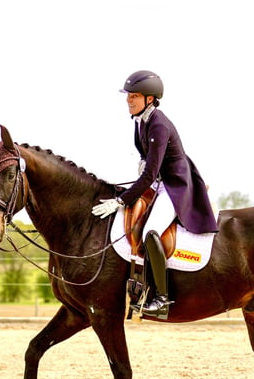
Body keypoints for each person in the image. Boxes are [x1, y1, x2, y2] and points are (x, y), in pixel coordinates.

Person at [92, 70, 218, 318]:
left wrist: (120, 200)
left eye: (135, 96)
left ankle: (162, 298)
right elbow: (146, 163)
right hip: (160, 183)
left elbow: (149, 175)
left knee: (151, 232)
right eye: (128, 95)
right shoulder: (141, 121)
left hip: (175, 186)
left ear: (150, 99)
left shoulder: (158, 124)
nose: (129, 100)